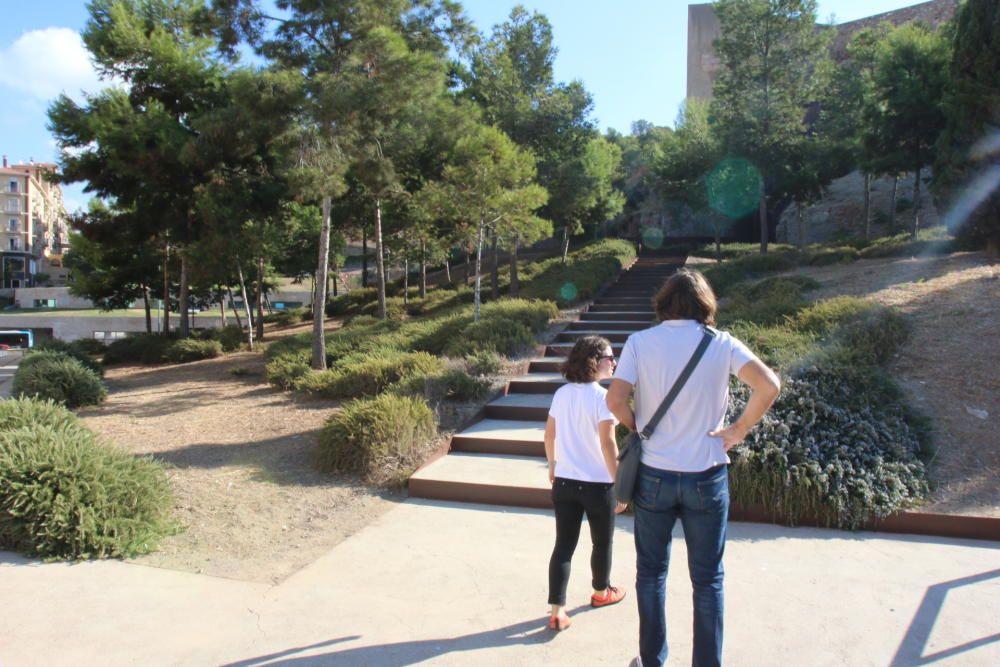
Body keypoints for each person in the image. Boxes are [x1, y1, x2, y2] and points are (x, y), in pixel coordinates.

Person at [606, 269, 780, 667]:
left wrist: (639, 427)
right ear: (706, 304)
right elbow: (768, 385)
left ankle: (652, 660)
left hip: (653, 476)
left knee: (651, 574)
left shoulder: (640, 342)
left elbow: (615, 401)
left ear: (663, 303)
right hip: (707, 475)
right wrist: (738, 429)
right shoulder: (722, 344)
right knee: (708, 580)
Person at [544, 335, 629, 631]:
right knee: (602, 542)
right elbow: (608, 444)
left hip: (565, 482)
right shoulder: (602, 399)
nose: (614, 363)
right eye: (609, 358)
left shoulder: (562, 394)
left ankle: (557, 610)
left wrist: (553, 464)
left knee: (563, 546)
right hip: (597, 485)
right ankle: (601, 592)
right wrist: (619, 484)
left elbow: (549, 435)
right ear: (594, 362)